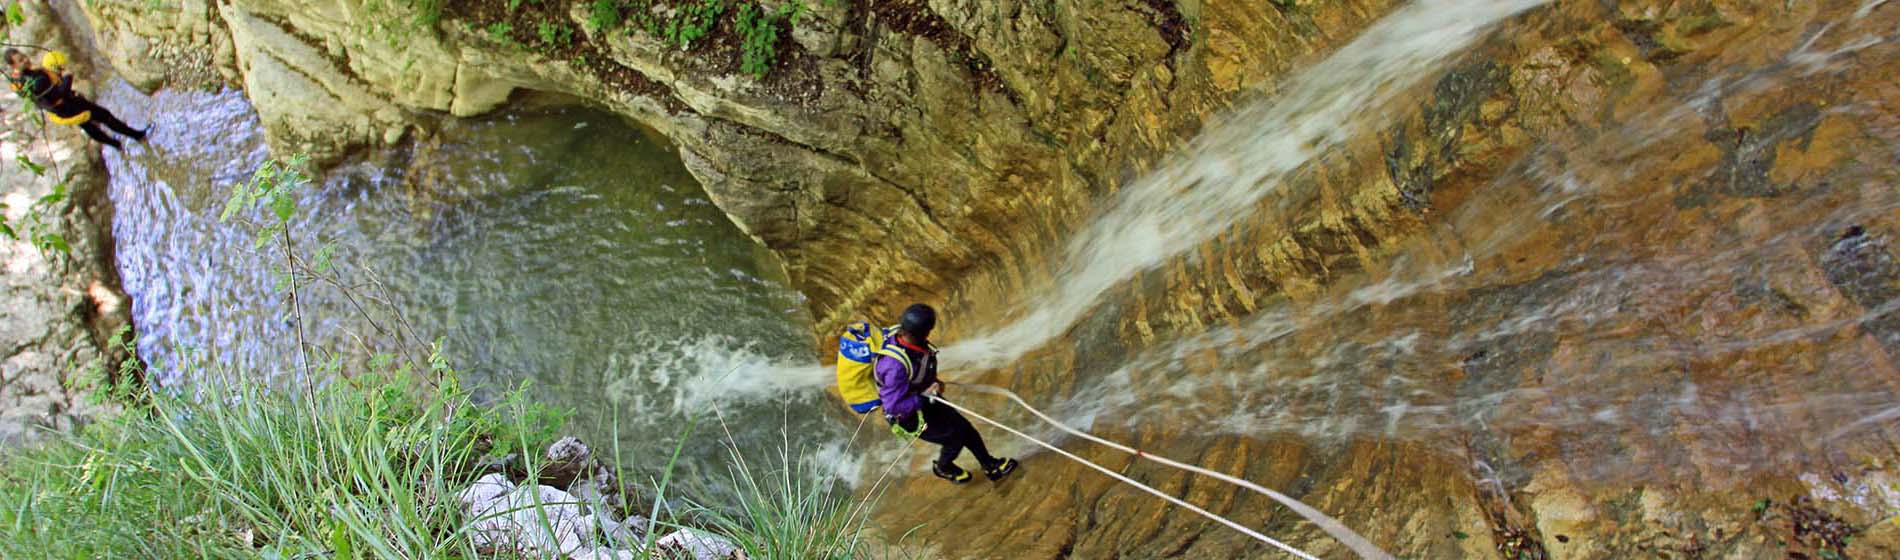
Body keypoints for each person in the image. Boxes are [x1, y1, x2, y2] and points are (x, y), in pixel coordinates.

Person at [876, 303, 1019, 484]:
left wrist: (931, 385)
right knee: (954, 438)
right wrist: (924, 396)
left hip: (924, 397)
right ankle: (943, 467)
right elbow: (894, 407)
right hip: (909, 416)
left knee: (965, 428)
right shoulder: (894, 367)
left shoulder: (905, 339)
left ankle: (989, 464)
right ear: (924, 333)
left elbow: (917, 371)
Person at [6, 48, 148, 150]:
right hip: (68, 104)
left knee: (88, 126)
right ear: (14, 66)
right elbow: (60, 92)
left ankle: (115, 144)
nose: (26, 59)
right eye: (21, 60)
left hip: (60, 110)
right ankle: (137, 135)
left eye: (24, 56)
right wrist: (68, 76)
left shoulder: (18, 81)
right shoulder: (37, 81)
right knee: (105, 116)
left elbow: (47, 96)